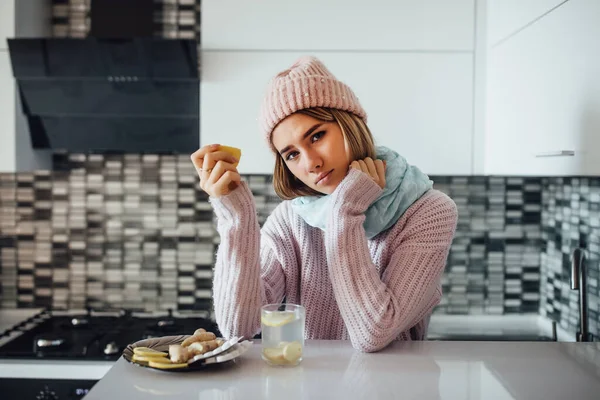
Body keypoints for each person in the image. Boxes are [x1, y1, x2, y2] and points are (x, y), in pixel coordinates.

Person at [191, 56, 458, 352]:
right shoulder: (291, 219)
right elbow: (239, 326)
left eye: (317, 136)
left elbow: (374, 332)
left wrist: (346, 211)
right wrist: (235, 217)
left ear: (349, 124)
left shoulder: (429, 211)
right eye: (291, 154)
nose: (311, 163)